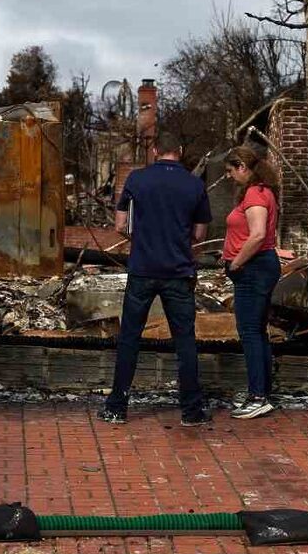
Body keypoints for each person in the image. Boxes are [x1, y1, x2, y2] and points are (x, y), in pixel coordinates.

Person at [98, 130, 213, 426]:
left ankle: (116, 407)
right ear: (181, 149)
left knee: (129, 339)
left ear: (154, 151)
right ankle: (191, 411)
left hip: (143, 269)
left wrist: (143, 233)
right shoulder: (194, 184)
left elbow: (120, 226)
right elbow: (200, 233)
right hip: (178, 271)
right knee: (185, 341)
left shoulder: (137, 180)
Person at [222, 145, 282, 419]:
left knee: (249, 332)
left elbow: (257, 235)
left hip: (253, 269)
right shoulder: (262, 192)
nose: (229, 176)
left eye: (231, 170)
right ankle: (260, 392)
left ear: (243, 167)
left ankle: (258, 396)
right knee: (257, 331)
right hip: (258, 267)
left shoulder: (255, 194)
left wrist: (236, 262)